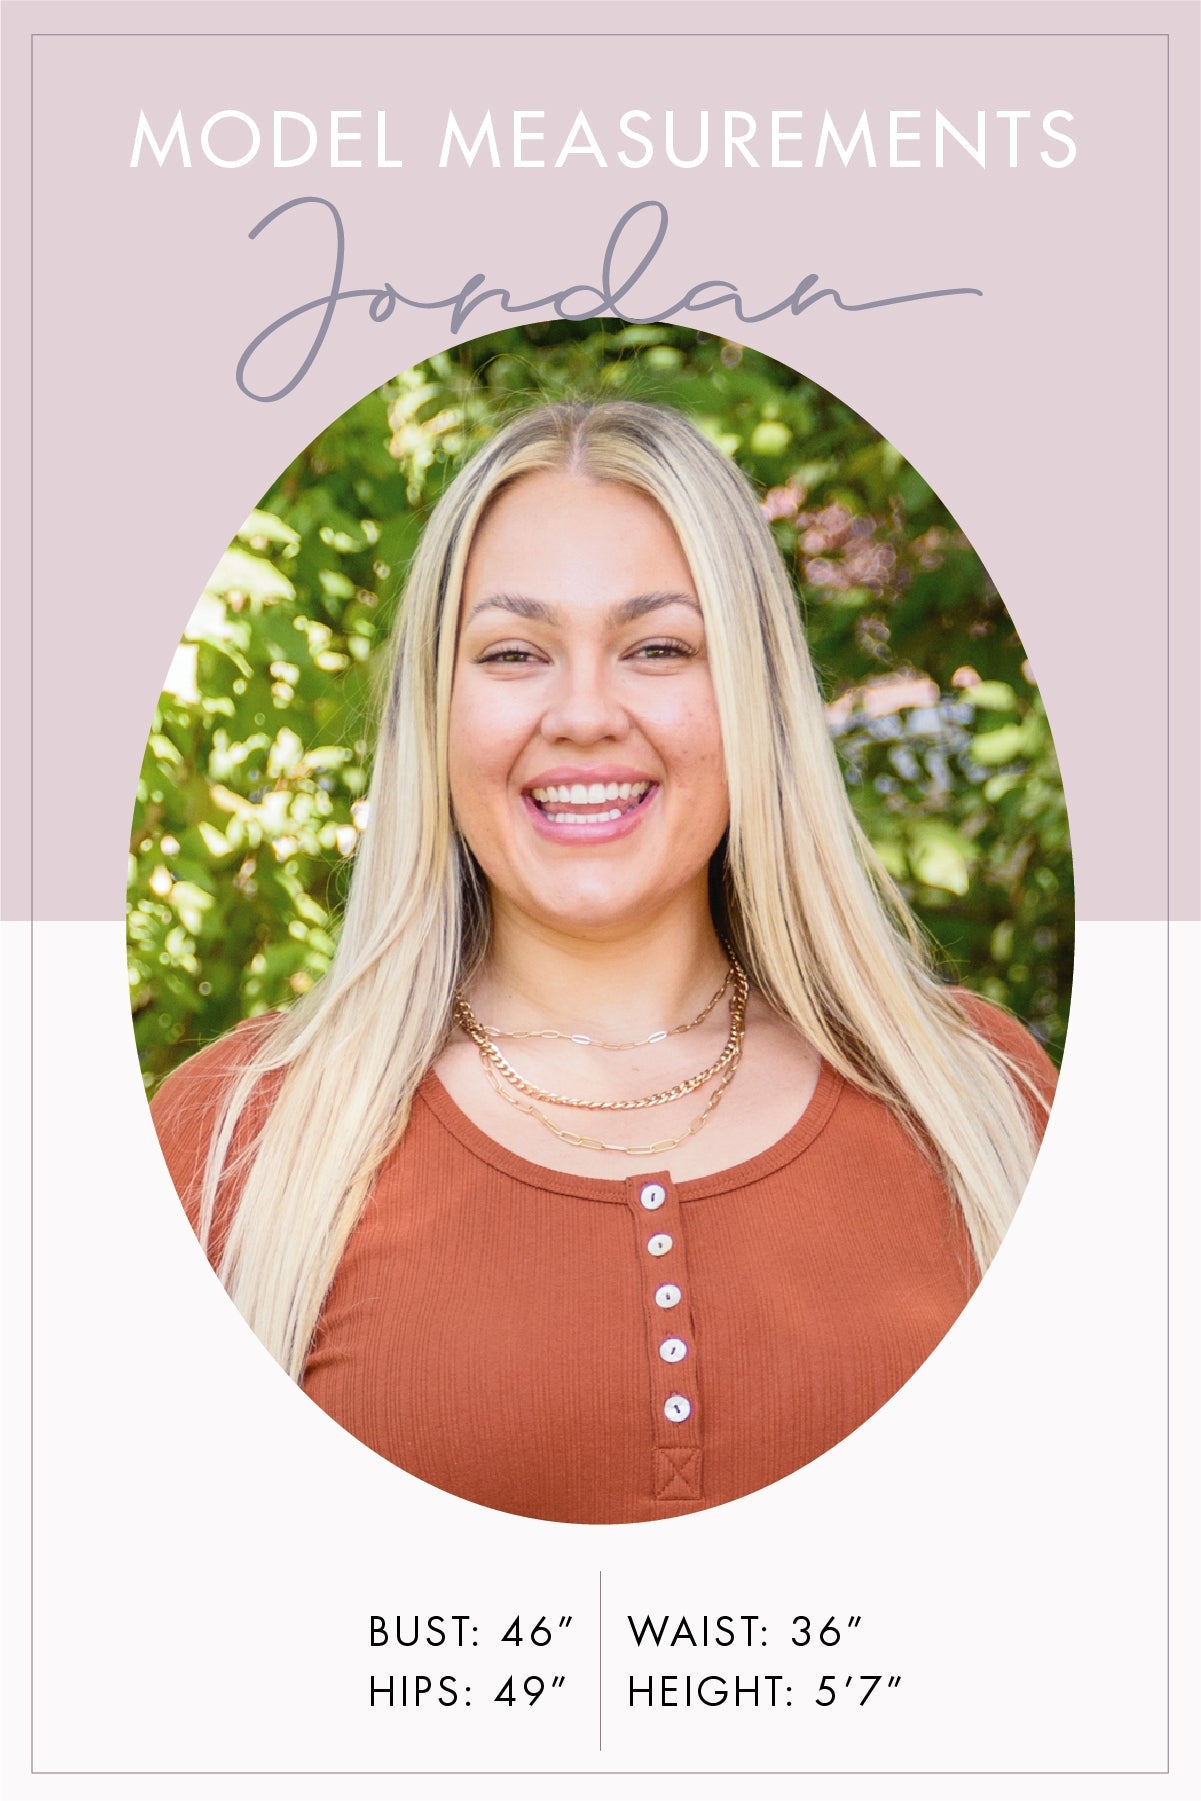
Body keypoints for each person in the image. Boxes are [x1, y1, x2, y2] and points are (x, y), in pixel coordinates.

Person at [151, 399, 1057, 1524]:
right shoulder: (234, 1146)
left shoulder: (986, 1103)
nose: (583, 713)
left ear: (755, 698)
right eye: (515, 653)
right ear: (436, 709)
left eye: (659, 648)